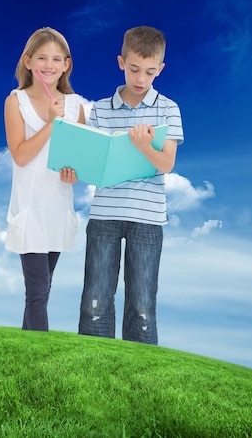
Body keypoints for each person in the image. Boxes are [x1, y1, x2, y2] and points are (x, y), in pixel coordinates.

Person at [78, 25, 184, 345]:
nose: (141, 79)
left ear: (160, 69)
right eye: (135, 69)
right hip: (105, 214)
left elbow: (166, 164)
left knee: (141, 305)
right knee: (95, 300)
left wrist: (143, 147)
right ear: (121, 62)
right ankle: (94, 367)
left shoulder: (168, 108)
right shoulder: (98, 109)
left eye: (150, 72)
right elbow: (90, 165)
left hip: (148, 218)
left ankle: (139, 375)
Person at [5, 27, 89, 331]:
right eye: (42, 57)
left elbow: (78, 162)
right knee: (37, 292)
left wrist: (74, 173)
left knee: (43, 290)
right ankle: (39, 360)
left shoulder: (77, 105)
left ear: (66, 64)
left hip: (57, 209)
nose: (49, 65)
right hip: (30, 211)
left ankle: (26, 354)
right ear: (28, 61)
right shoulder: (15, 102)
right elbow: (22, 156)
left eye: (56, 59)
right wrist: (52, 123)